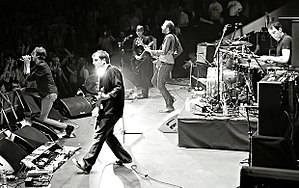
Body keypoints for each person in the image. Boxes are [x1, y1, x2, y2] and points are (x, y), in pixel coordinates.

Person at [73, 50, 132, 174]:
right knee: (108, 136)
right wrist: (97, 106)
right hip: (106, 110)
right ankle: (125, 158)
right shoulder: (102, 73)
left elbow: (118, 87)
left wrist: (107, 96)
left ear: (103, 60)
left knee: (99, 136)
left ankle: (86, 164)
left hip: (112, 110)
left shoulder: (113, 71)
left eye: (96, 60)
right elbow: (102, 94)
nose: (93, 63)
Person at [22, 47, 74, 137]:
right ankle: (34, 111)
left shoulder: (42, 66)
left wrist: (27, 63)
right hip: (45, 93)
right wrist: (26, 64)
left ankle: (67, 127)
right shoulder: (39, 65)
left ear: (37, 55)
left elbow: (29, 78)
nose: (31, 55)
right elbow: (26, 76)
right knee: (24, 91)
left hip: (49, 94)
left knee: (43, 119)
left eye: (33, 53)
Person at [146, 20, 183, 113]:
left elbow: (164, 51)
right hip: (164, 62)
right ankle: (170, 98)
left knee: (160, 85)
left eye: (163, 25)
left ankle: (169, 105)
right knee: (154, 81)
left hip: (166, 64)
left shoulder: (169, 37)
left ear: (167, 28)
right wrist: (171, 57)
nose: (161, 27)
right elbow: (180, 50)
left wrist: (151, 51)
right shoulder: (173, 36)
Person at [131, 25, 154, 98]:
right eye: (137, 31)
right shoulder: (135, 40)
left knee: (144, 75)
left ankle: (145, 93)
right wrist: (136, 56)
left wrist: (142, 44)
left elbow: (148, 49)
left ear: (143, 31)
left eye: (140, 31)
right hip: (137, 59)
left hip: (144, 58)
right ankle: (140, 91)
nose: (138, 33)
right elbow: (133, 50)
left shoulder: (147, 39)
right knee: (139, 75)